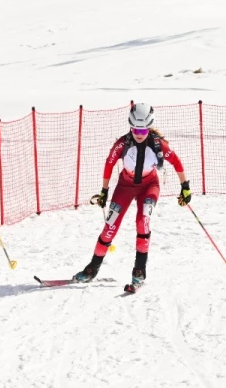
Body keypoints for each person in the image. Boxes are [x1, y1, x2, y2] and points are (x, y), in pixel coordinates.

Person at [73, 102, 192, 289]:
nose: (139, 134)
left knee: (143, 221)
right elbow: (109, 164)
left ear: (149, 128)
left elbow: (176, 162)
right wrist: (104, 191)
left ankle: (139, 271)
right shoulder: (123, 144)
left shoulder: (158, 144)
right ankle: (92, 269)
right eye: (135, 129)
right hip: (125, 186)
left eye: (143, 131)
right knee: (110, 227)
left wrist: (185, 187)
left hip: (149, 186)